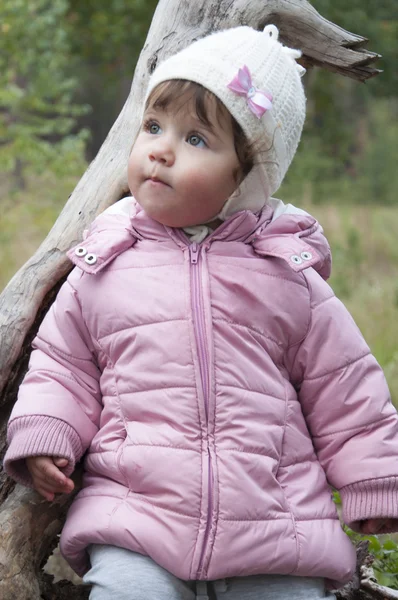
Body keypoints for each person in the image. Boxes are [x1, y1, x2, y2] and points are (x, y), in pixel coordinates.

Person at [4, 24, 398, 600]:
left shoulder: (288, 276)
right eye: (155, 127)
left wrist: (374, 483)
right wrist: (45, 431)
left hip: (274, 526)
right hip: (137, 518)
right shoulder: (107, 261)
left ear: (246, 178)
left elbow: (346, 388)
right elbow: (63, 363)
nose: (161, 148)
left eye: (196, 140)